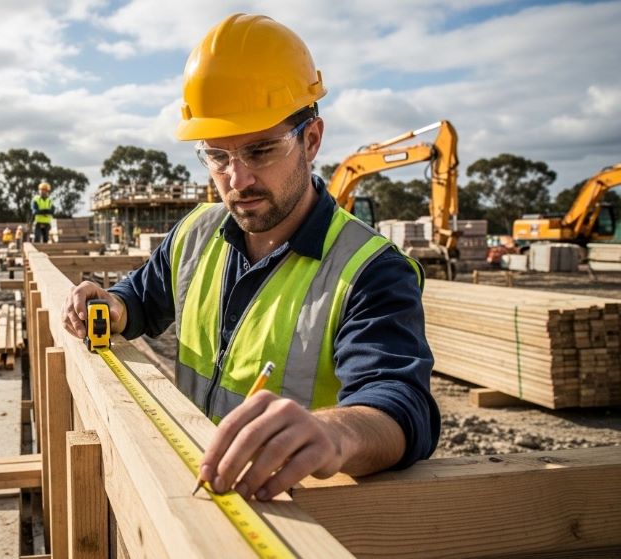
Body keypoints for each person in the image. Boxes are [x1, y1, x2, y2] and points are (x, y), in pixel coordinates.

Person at [61, 13, 439, 502]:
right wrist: (112, 304)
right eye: (218, 156)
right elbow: (142, 299)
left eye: (260, 151)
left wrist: (335, 434)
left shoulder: (369, 269)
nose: (236, 180)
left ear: (312, 139)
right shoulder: (196, 233)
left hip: (295, 520)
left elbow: (400, 404)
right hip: (200, 494)